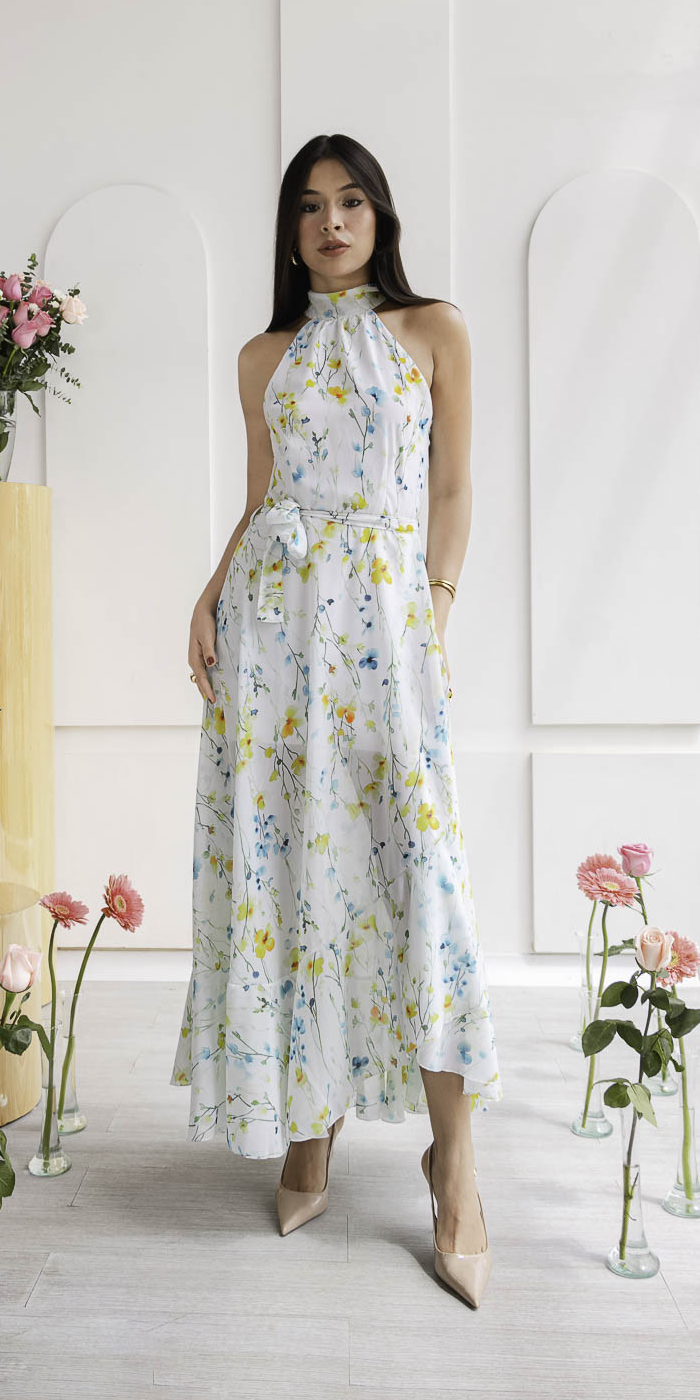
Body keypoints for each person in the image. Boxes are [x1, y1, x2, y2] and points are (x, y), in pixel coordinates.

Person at [170, 133, 500, 1307]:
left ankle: (453, 1160)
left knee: (418, 872)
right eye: (311, 206)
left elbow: (451, 487)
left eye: (351, 200)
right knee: (292, 872)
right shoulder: (263, 355)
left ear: (380, 215)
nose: (332, 222)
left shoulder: (434, 330)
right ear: (291, 229)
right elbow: (263, 496)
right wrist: (211, 593)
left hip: (386, 629)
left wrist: (433, 613)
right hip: (272, 636)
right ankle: (308, 1124)